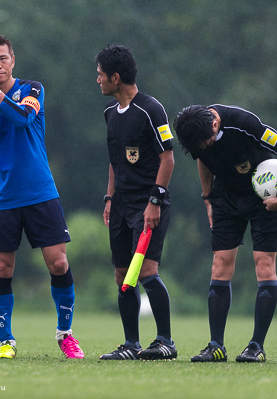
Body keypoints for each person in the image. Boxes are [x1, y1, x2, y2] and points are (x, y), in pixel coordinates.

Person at [0, 34, 83, 359]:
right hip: (1, 197)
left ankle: (65, 334)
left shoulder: (32, 89)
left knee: (58, 262)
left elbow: (22, 118)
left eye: (2, 58)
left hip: (40, 191)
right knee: (1, 267)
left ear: (13, 60)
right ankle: (6, 341)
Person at [174, 104, 277, 363]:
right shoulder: (196, 136)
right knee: (219, 264)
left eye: (206, 143)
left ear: (215, 125)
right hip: (226, 199)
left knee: (264, 264)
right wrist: (207, 198)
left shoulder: (246, 123)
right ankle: (216, 346)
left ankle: (256, 347)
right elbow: (203, 162)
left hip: (263, 199)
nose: (205, 149)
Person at [95, 44, 177, 361]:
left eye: (101, 75)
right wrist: (109, 198)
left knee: (145, 271)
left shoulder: (150, 109)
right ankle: (131, 345)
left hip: (148, 204)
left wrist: (155, 201)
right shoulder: (109, 114)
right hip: (120, 205)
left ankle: (166, 341)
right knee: (121, 275)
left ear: (116, 78)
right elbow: (115, 162)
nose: (97, 80)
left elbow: (167, 159)